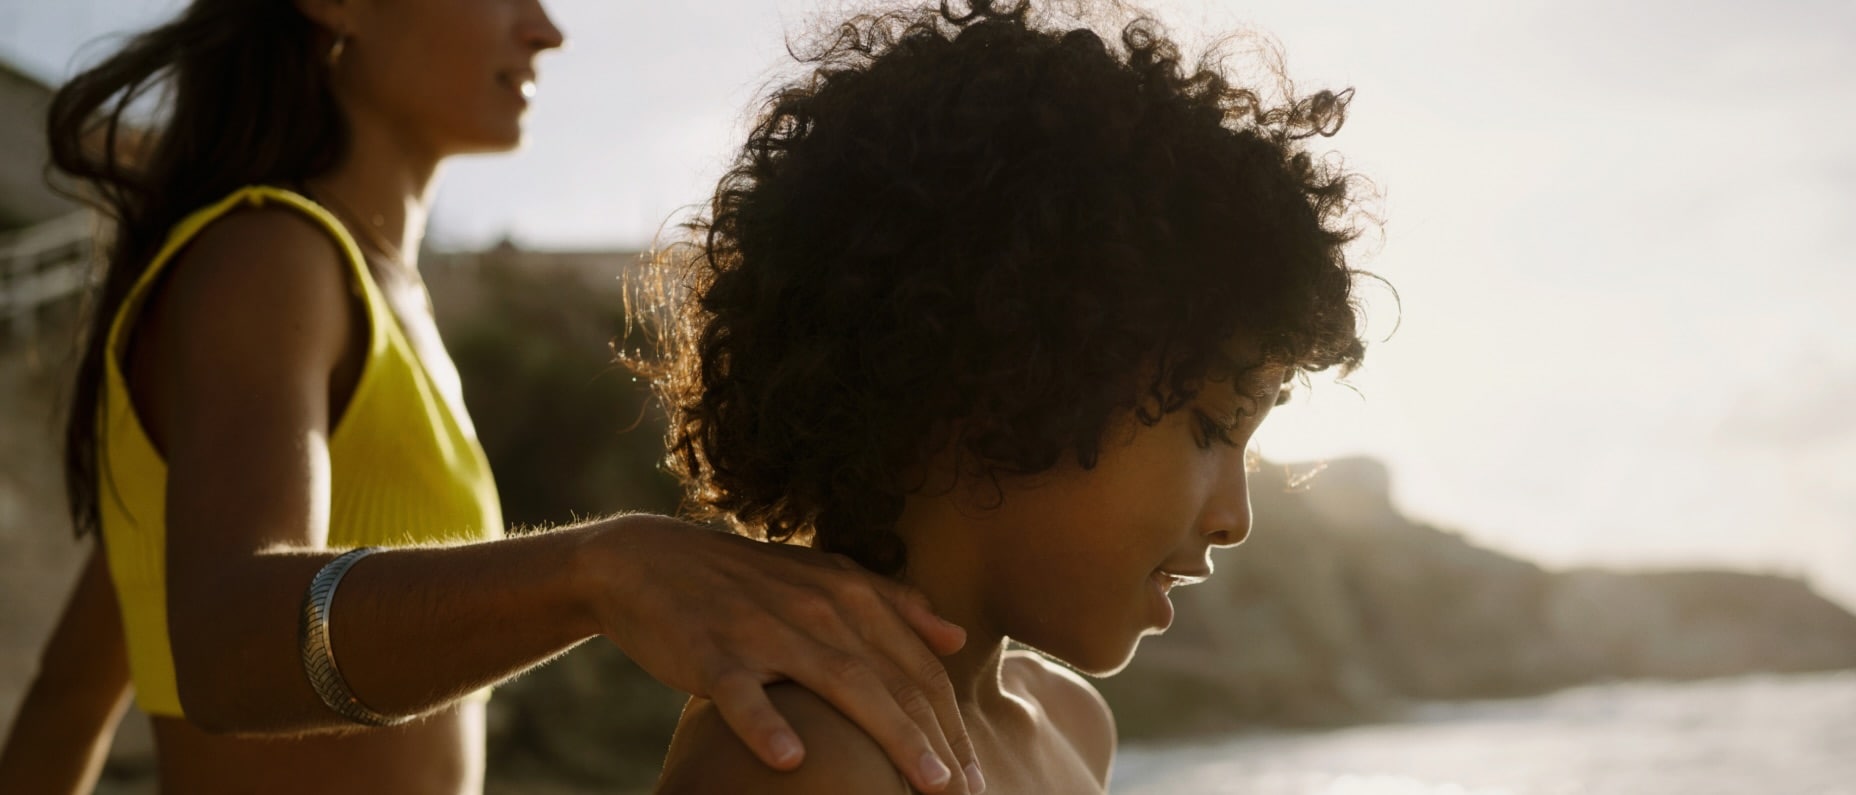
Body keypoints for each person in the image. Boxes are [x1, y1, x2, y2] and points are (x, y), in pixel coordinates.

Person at [0, 1, 990, 793]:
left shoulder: (357, 287)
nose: (546, 27)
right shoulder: (270, 258)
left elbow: (69, 698)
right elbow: (218, 648)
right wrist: (600, 572)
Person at [637, 0, 1374, 791]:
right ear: (1010, 371)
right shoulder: (797, 755)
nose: (1236, 518)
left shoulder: (1069, 721)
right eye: (1211, 427)